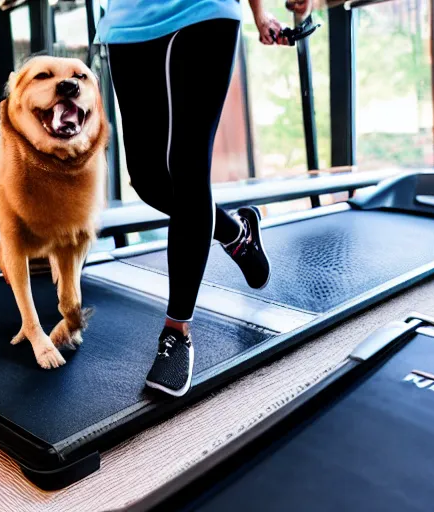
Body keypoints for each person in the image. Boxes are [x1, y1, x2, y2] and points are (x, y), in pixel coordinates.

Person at [96, 1, 292, 397]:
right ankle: (237, 234)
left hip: (203, 11)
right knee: (148, 180)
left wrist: (260, 13)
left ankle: (176, 331)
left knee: (188, 169)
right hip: (128, 22)